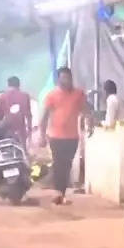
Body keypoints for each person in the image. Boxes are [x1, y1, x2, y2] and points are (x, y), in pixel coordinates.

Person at [39, 66, 89, 205]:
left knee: (66, 165)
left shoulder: (78, 94)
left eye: (68, 77)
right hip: (55, 136)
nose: (66, 80)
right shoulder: (52, 95)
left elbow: (85, 110)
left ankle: (62, 193)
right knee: (58, 163)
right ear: (58, 80)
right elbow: (44, 116)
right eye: (63, 78)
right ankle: (58, 193)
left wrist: (89, 123)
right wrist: (41, 134)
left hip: (72, 137)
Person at [0, 76, 32, 142]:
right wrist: (29, 131)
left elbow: (0, 116)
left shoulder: (3, 96)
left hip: (7, 129)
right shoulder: (25, 96)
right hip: (21, 130)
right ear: (19, 85)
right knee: (22, 150)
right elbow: (28, 115)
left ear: (8, 85)